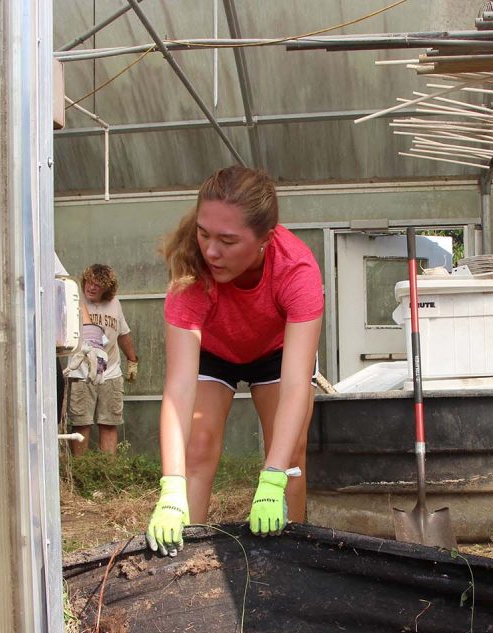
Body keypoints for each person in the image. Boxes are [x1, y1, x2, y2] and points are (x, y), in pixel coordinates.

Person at [146, 165, 323, 557]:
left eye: (227, 240)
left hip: (277, 353)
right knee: (198, 445)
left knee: (289, 453)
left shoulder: (297, 270)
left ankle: (287, 560)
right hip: (215, 350)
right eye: (204, 233)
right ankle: (184, 559)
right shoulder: (192, 271)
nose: (211, 251)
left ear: (265, 239)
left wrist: (273, 477)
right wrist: (171, 487)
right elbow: (178, 388)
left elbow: (297, 384)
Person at [66, 263, 139, 455]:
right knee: (81, 423)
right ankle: (82, 471)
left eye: (97, 285)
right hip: (82, 372)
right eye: (89, 282)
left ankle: (107, 471)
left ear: (107, 288)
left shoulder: (114, 303)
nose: (91, 287)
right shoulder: (75, 299)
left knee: (109, 422)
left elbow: (123, 334)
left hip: (111, 371)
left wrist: (132, 360)